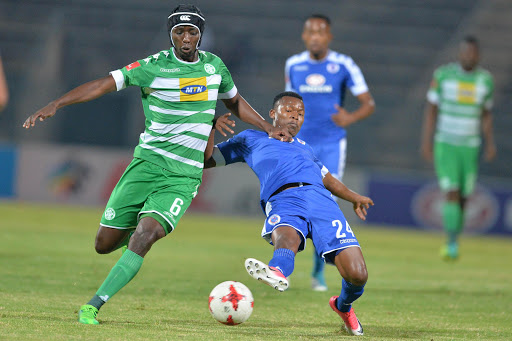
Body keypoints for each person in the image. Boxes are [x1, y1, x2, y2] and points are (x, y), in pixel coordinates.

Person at [23, 4, 291, 325]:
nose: (186, 37)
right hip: (146, 165)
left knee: (147, 234)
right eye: (180, 31)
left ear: (201, 34)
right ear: (171, 34)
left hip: (183, 176)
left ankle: (93, 305)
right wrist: (57, 102)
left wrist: (266, 126)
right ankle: (131, 235)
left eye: (192, 31)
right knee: (103, 244)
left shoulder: (214, 67)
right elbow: (103, 84)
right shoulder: (152, 67)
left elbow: (233, 100)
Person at [205, 92, 374, 336]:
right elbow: (207, 160)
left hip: (322, 202)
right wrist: (210, 126)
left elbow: (327, 179)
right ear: (273, 114)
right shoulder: (250, 138)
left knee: (358, 275)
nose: (296, 117)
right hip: (284, 198)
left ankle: (343, 306)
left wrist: (354, 197)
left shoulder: (306, 148)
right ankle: (277, 271)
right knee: (287, 237)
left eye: (300, 114)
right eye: (289, 111)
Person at [284, 14, 375, 291]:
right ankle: (286, 258)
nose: (315, 36)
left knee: (325, 199)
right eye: (310, 31)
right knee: (298, 196)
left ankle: (317, 272)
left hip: (332, 142)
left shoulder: (343, 64)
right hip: (302, 144)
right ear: (304, 35)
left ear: (329, 37)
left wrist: (350, 118)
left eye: (320, 32)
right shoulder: (294, 64)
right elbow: (288, 103)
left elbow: (368, 103)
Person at [420, 35, 496, 260]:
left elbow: (486, 114)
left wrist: (490, 143)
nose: (469, 56)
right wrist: (427, 141)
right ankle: (451, 242)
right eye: (465, 52)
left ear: (478, 55)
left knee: (463, 196)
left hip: (470, 146)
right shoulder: (443, 76)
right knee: (451, 192)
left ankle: (454, 236)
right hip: (446, 143)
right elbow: (431, 109)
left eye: (473, 53)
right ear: (459, 53)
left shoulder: (485, 81)